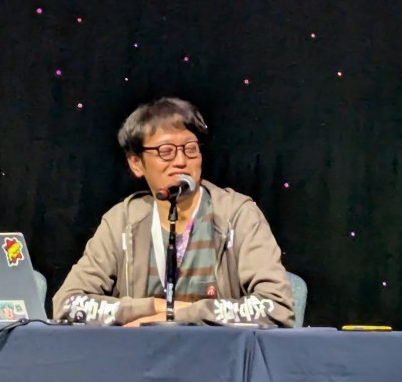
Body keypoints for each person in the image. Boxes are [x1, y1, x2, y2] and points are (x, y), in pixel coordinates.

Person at [52, 97, 295, 327]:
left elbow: (276, 307)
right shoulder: (122, 220)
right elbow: (66, 304)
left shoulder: (237, 214)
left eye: (190, 149)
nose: (180, 161)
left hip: (218, 361)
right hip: (139, 360)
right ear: (136, 163)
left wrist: (181, 314)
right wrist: (151, 308)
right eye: (166, 151)